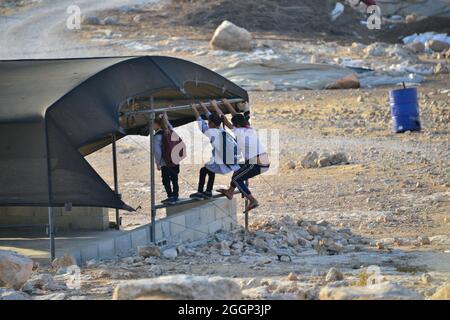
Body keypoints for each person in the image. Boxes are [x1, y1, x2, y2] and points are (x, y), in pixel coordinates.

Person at [213, 99, 270, 213]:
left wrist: (215, 106)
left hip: (256, 163)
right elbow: (236, 116)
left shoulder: (239, 132)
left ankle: (252, 200)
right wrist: (226, 103)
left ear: (237, 125)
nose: (233, 125)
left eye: (234, 124)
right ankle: (230, 191)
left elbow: (224, 119)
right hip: (261, 160)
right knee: (236, 168)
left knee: (237, 178)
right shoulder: (249, 128)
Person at [190, 101, 240, 200]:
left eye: (209, 123)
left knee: (204, 170)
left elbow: (200, 121)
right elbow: (212, 118)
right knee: (209, 169)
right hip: (232, 159)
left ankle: (200, 192)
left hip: (225, 161)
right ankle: (208, 191)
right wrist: (204, 107)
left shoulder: (211, 132)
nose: (207, 124)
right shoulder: (220, 129)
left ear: (211, 123)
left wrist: (194, 109)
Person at [154, 112, 179, 205]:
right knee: (175, 178)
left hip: (165, 162)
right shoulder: (170, 130)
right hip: (175, 160)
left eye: (153, 124)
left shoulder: (157, 136)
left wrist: (158, 163)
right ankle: (176, 195)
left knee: (166, 180)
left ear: (157, 124)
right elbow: (168, 124)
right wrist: (165, 117)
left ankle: (170, 196)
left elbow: (157, 152)